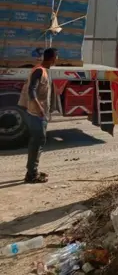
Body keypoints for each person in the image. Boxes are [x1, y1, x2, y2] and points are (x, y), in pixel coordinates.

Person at [18, 47, 58, 184]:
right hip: (36, 114)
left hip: (38, 113)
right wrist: (39, 107)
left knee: (38, 141)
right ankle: (31, 175)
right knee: (37, 142)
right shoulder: (40, 71)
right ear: (53, 58)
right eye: (56, 57)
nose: (56, 59)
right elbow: (31, 91)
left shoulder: (42, 70)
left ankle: (33, 171)